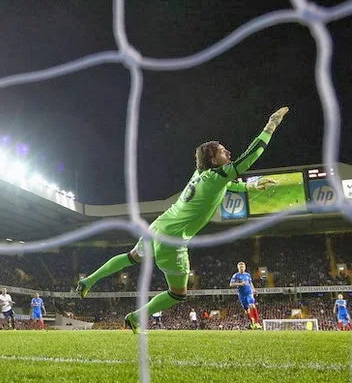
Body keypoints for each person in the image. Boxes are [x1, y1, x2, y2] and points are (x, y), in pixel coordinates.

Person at [76, 107, 289, 333]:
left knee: (132, 258)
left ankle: (88, 281)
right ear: (212, 159)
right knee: (178, 294)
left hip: (159, 225)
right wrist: (271, 124)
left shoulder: (202, 174)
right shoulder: (217, 175)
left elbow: (230, 184)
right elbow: (250, 156)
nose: (227, 151)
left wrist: (253, 185)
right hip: (173, 239)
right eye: (221, 150)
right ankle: (135, 317)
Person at [229, 261, 261, 329]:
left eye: (242, 267)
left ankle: (257, 322)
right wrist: (240, 284)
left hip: (249, 293)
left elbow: (250, 283)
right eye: (240, 267)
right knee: (247, 310)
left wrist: (254, 290)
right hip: (241, 295)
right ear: (238, 268)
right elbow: (231, 284)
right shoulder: (236, 276)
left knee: (252, 304)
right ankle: (252, 322)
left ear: (245, 267)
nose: (241, 268)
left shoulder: (247, 275)